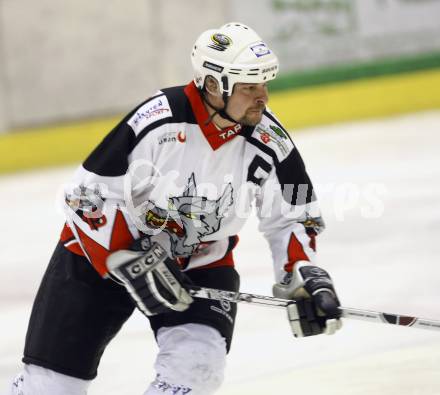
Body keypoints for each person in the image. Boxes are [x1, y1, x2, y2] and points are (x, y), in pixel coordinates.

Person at [8, 22, 342, 395]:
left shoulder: (269, 139)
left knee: (196, 371)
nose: (262, 96)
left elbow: (293, 215)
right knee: (52, 388)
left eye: (264, 84)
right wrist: (129, 259)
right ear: (214, 84)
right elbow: (86, 196)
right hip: (98, 258)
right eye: (249, 86)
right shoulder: (157, 120)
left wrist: (302, 274)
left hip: (199, 265)